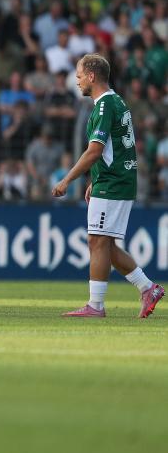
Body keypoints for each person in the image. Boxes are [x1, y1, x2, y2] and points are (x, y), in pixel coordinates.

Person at [52, 54, 164, 318]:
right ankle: (148, 288)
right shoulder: (116, 102)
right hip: (113, 179)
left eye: (79, 76)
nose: (77, 81)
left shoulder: (104, 106)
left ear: (92, 76)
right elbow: (115, 149)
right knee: (104, 243)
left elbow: (94, 151)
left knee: (98, 241)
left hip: (114, 182)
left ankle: (96, 305)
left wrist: (68, 180)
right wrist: (95, 178)